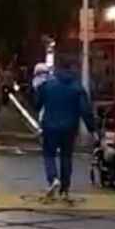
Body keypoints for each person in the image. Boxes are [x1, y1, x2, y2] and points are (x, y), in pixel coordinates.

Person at [34, 59, 96, 199]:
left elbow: (37, 104)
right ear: (72, 70)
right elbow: (85, 110)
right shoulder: (77, 87)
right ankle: (65, 188)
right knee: (66, 156)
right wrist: (92, 129)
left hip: (50, 125)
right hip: (69, 127)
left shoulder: (47, 85)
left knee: (49, 154)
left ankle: (53, 178)